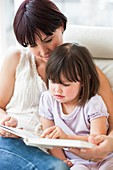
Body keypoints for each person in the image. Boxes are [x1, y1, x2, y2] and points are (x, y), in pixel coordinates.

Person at [0, 0, 113, 169]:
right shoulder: (17, 58)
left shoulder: (85, 71)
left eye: (48, 39)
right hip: (13, 141)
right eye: (32, 45)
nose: (43, 51)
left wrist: (109, 143)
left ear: (61, 25)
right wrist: (4, 121)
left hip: (50, 151)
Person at [39, 43, 113, 169]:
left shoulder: (93, 103)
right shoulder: (47, 100)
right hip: (75, 162)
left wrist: (67, 138)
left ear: (84, 81)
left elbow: (96, 141)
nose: (57, 90)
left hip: (102, 159)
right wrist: (62, 160)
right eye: (52, 82)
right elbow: (50, 141)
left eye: (66, 84)